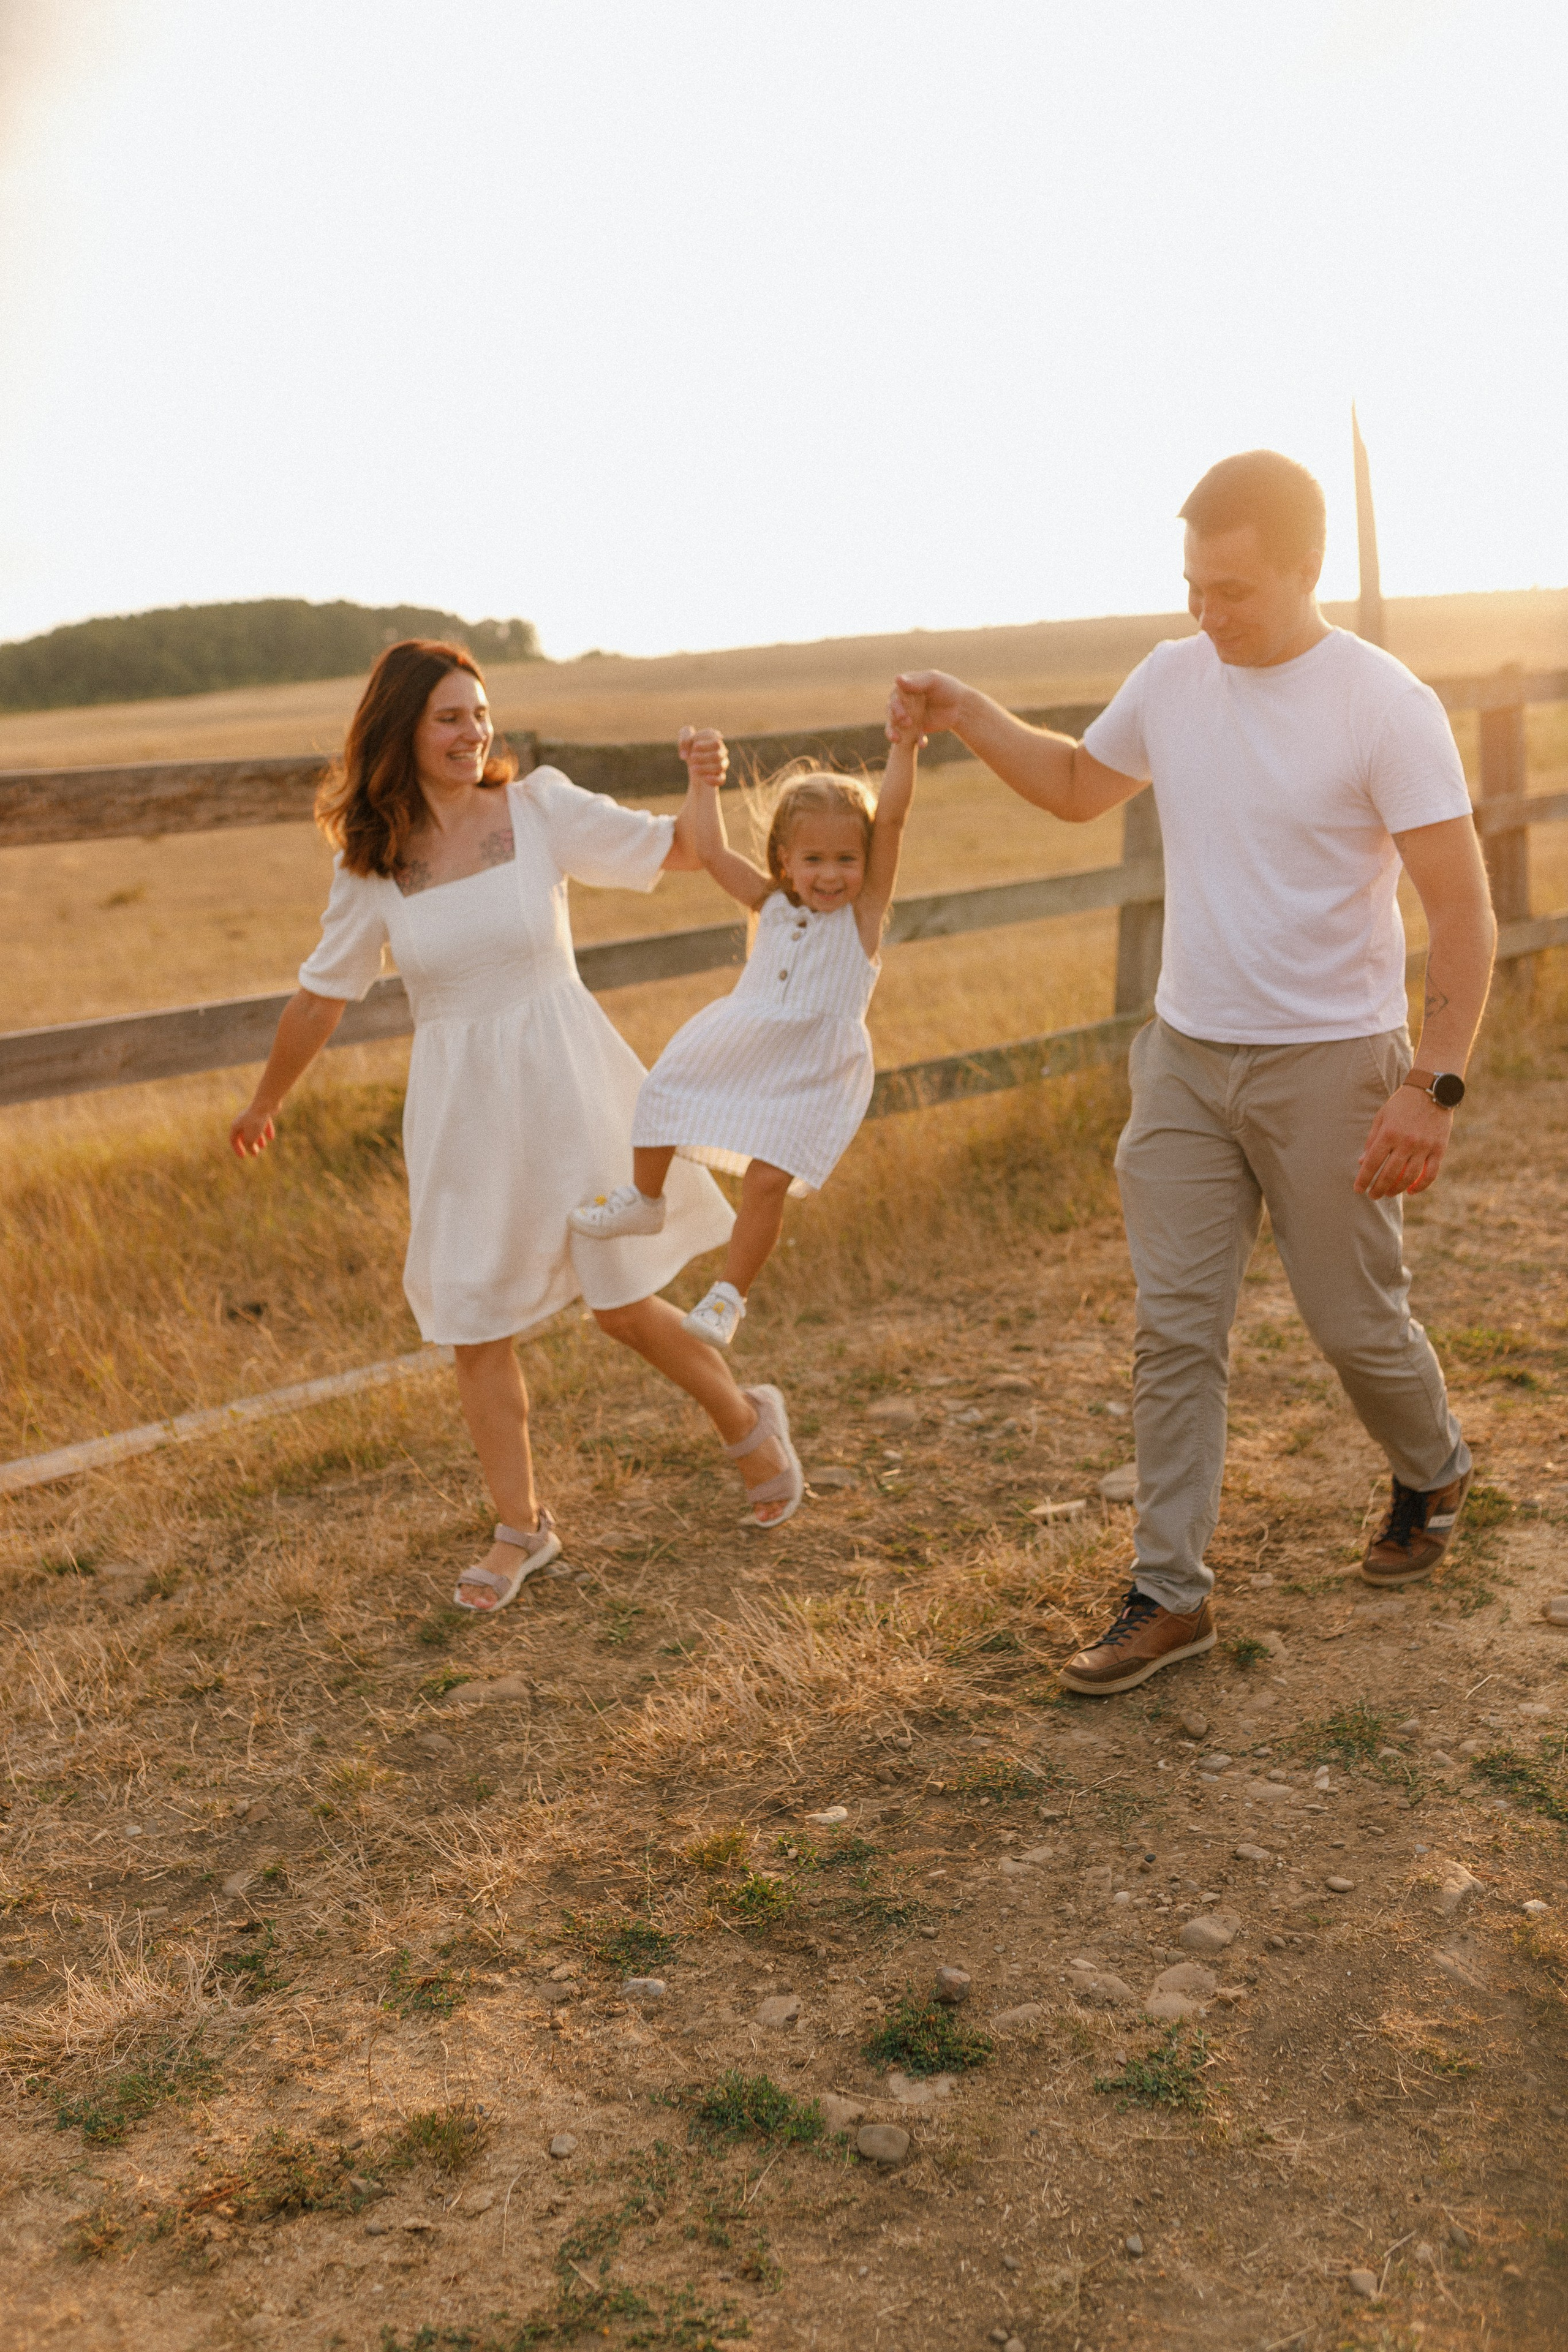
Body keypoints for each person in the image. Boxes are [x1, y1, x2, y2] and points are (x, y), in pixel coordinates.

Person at [889, 450, 1496, 1695]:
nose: (1206, 616)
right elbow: (1072, 786)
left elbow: (1461, 910)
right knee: (1174, 1332)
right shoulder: (1171, 678)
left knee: (1350, 1323)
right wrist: (964, 711)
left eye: (1233, 592)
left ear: (1303, 569)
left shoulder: (1382, 704)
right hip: (1181, 1061)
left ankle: (1430, 1465)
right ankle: (1168, 1594)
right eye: (1191, 589)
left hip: (1330, 1065)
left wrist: (1428, 1085)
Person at [228, 639, 805, 1612]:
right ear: (402, 728)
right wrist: (266, 1098)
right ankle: (521, 1528)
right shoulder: (371, 865)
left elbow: (678, 847)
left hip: (568, 1078)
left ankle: (748, 1419)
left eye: (480, 714)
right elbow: (321, 998)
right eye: (450, 717)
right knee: (476, 1319)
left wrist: (704, 785)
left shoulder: (538, 808)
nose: (472, 733)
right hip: (462, 1107)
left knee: (620, 1302)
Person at [567, 714, 920, 1372]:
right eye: (813, 859)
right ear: (784, 861)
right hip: (747, 1040)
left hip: (815, 1069)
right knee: (662, 1092)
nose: (831, 875)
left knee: (766, 1182)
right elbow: (709, 853)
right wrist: (703, 782)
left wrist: (902, 747)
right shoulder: (771, 905)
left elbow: (893, 819)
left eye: (847, 859)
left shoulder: (863, 920)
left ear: (868, 864)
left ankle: (728, 1295)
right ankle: (646, 1202)